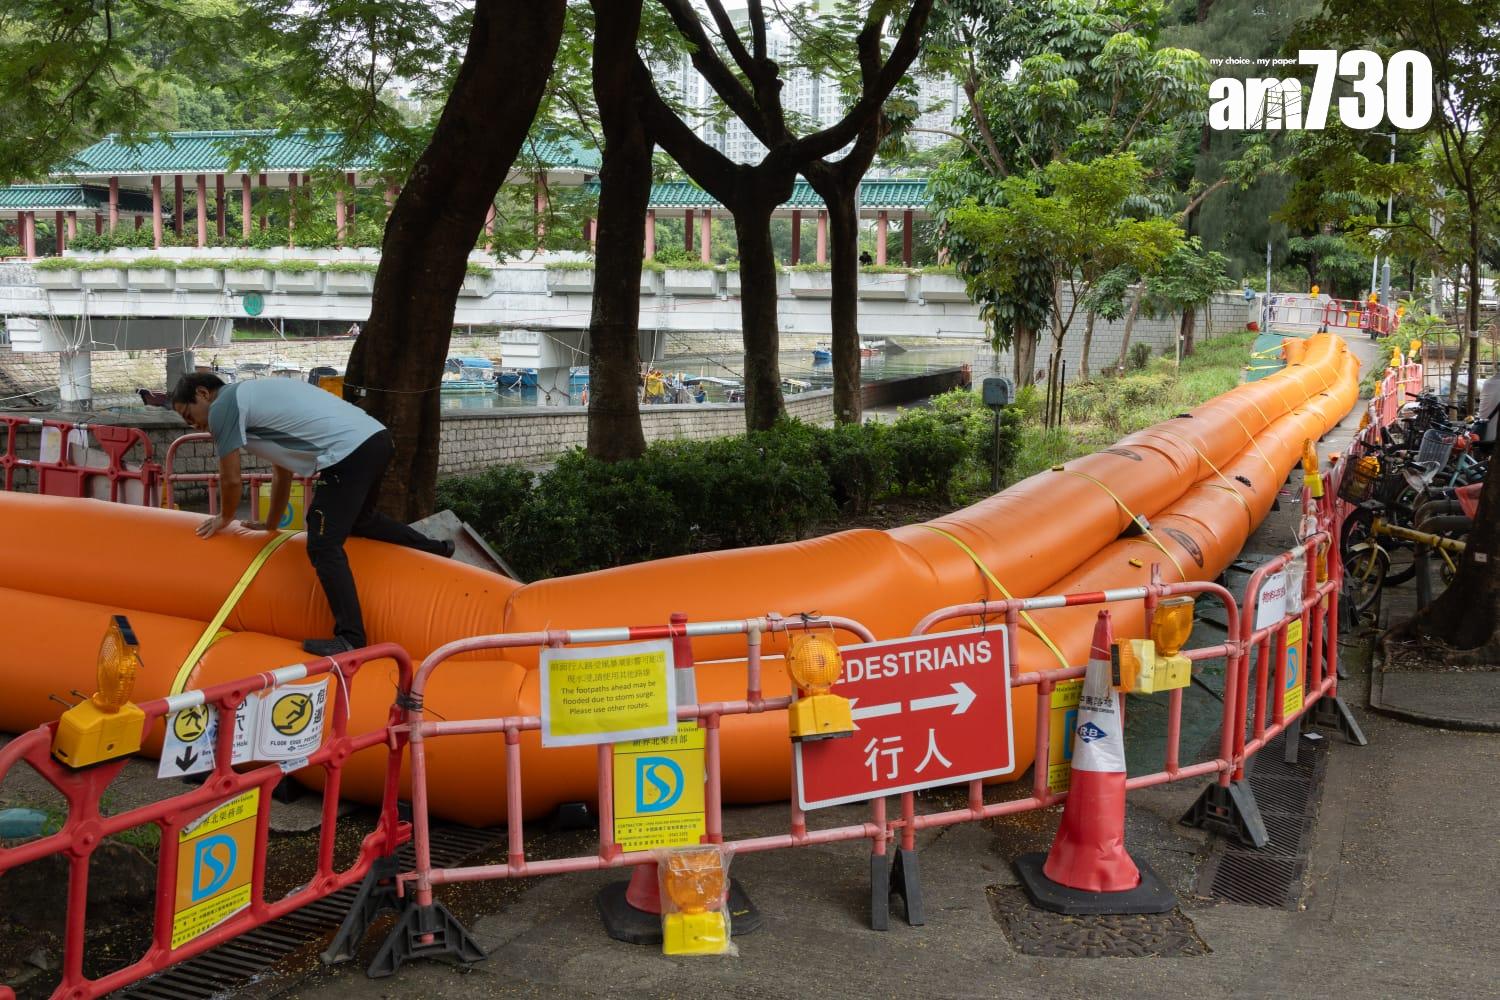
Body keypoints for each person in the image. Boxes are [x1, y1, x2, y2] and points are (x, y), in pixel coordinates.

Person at [171, 372, 453, 657]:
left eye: (188, 414)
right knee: (361, 520)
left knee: (323, 542)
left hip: (349, 452)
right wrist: (270, 524)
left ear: (203, 393)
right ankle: (439, 549)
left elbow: (230, 479)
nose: (191, 423)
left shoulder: (223, 407)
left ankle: (351, 638)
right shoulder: (251, 399)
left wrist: (224, 517)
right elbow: (282, 470)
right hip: (375, 440)